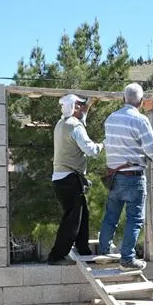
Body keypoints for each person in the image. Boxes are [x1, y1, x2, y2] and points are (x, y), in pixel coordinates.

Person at [98, 83, 153, 270]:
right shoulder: (141, 121)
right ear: (141, 102)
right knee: (134, 219)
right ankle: (127, 259)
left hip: (114, 176)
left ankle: (103, 250)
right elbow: (151, 150)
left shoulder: (110, 119)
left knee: (111, 215)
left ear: (123, 99)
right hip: (133, 177)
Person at [46, 94, 103, 266]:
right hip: (70, 179)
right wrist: (103, 144)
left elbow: (78, 127)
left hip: (61, 179)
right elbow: (91, 150)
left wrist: (86, 111)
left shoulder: (61, 123)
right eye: (80, 105)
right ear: (74, 107)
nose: (83, 107)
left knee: (82, 214)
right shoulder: (75, 127)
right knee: (72, 220)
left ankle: (83, 249)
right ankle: (56, 256)